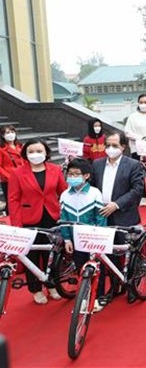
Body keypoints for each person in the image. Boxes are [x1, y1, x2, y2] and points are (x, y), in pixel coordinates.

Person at [8, 139, 67, 304]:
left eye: (39, 151)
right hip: (29, 218)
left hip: (52, 216)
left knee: (52, 253)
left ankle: (53, 285)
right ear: (25, 154)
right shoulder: (17, 173)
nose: (36, 154)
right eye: (31, 151)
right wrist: (17, 225)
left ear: (46, 152)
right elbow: (13, 200)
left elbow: (63, 193)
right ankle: (35, 289)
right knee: (32, 254)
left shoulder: (55, 170)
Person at [90, 132, 146, 307]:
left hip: (124, 215)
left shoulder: (134, 165)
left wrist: (117, 204)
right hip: (102, 216)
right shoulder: (97, 164)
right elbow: (91, 186)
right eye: (108, 145)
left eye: (115, 145)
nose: (110, 148)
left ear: (123, 146)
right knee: (107, 254)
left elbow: (137, 190)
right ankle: (115, 287)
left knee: (130, 254)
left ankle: (131, 286)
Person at [59, 157, 107, 310]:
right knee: (80, 267)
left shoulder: (94, 193)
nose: (72, 177)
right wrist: (67, 239)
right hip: (75, 238)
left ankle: (98, 296)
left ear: (86, 176)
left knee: (97, 267)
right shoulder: (65, 195)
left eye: (76, 174)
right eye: (70, 174)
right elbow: (64, 219)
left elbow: (101, 217)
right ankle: (85, 295)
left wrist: (98, 238)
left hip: (93, 236)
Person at [0, 125, 25, 214]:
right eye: (7, 133)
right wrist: (9, 176)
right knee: (11, 202)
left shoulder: (20, 146)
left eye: (12, 132)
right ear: (3, 135)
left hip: (22, 177)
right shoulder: (1, 149)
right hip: (8, 180)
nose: (11, 134)